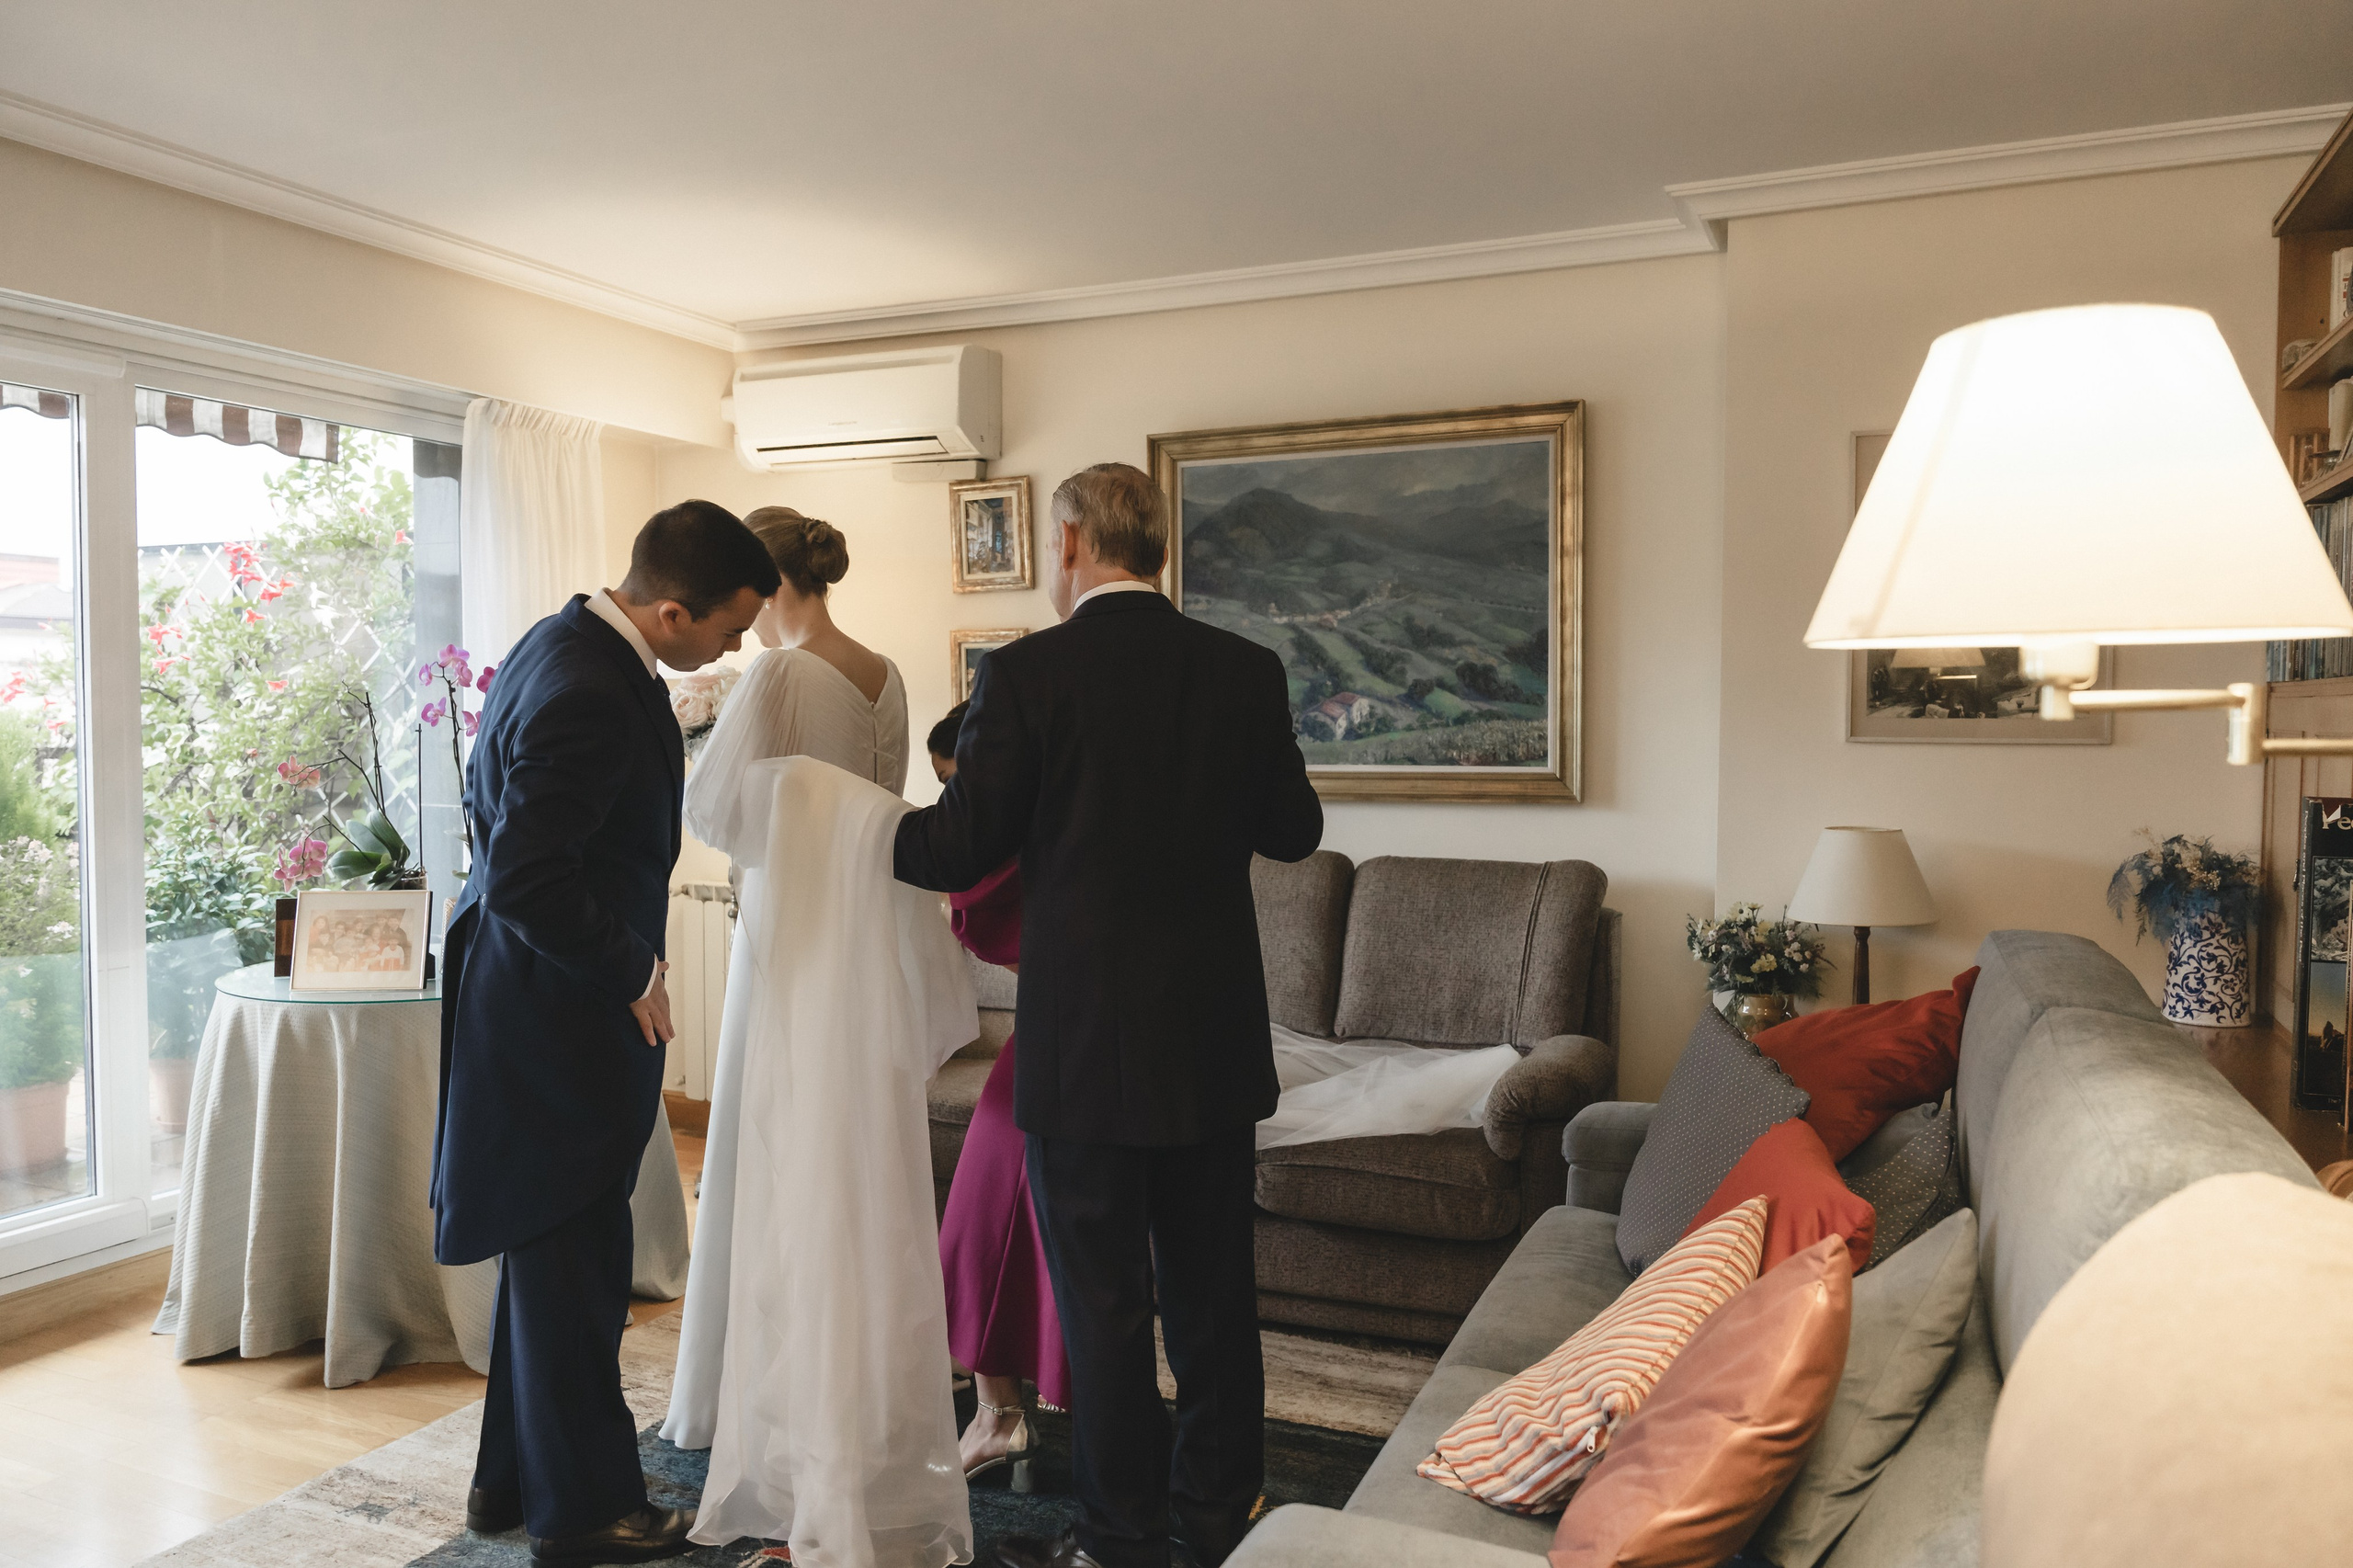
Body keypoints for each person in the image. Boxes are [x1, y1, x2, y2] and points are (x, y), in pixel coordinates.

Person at [895, 463, 1324, 1568]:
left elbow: (958, 844)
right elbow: (1294, 831)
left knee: (1104, 1307)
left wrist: (852, 824)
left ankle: (1119, 1540)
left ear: (1073, 542)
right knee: (1214, 1297)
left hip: (1085, 1052)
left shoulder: (1024, 674)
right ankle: (1218, 1519)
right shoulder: (1245, 669)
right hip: (1212, 1045)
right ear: (1157, 548)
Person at [433, 500, 779, 1566]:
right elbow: (527, 871)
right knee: (577, 1266)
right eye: (728, 627)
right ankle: (584, 1513)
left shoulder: (557, 640)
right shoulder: (589, 684)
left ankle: (509, 1483)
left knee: (551, 1262)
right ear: (672, 611)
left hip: (535, 999)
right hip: (558, 1014)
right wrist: (633, 967)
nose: (732, 646)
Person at [662, 509, 974, 1568]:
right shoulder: (885, 672)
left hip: (795, 943)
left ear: (765, 582)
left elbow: (717, 815)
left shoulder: (782, 673)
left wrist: (705, 732)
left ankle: (765, 1410)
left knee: (783, 1165)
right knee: (856, 1166)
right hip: (869, 943)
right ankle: (867, 1390)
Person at [926, 702, 1071, 1486]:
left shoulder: (1020, 849)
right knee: (1001, 1215)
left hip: (1062, 1034)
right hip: (1062, 1030)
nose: (953, 804)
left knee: (985, 1216)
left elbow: (986, 928)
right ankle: (1007, 1408)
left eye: (957, 786)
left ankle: (999, 1416)